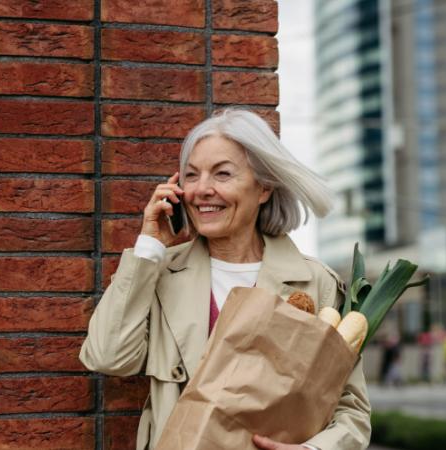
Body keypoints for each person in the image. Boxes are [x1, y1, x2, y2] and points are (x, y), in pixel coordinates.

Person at [79, 109, 371, 450]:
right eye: (191, 175)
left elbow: (352, 409)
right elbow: (108, 357)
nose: (202, 189)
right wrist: (149, 247)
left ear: (263, 187)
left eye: (222, 174)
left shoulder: (315, 282)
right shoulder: (159, 273)